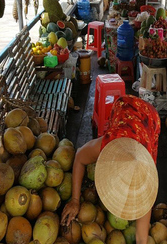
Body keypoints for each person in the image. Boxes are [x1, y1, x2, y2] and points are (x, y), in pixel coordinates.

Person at [61, 95, 161, 244]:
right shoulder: (108, 144)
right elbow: (80, 156)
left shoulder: (147, 183)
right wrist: (75, 200)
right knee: (112, 130)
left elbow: (142, 238)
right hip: (126, 106)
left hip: (150, 119)